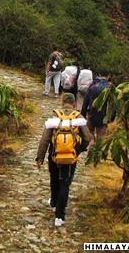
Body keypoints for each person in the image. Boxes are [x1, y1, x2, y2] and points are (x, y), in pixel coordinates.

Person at [36, 93, 91, 227]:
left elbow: (45, 139)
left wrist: (40, 157)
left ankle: (54, 202)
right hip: (71, 156)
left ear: (62, 103)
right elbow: (88, 138)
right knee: (65, 183)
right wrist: (79, 149)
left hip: (54, 155)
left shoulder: (55, 116)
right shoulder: (78, 117)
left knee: (54, 178)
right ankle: (60, 216)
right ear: (74, 104)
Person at [81, 69, 111, 153]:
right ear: (108, 76)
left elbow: (86, 99)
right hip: (103, 116)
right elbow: (112, 104)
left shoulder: (92, 85)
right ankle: (98, 153)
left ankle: (91, 147)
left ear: (99, 74)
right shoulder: (109, 88)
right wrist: (111, 117)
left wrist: (83, 112)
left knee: (90, 132)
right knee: (101, 135)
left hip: (91, 113)